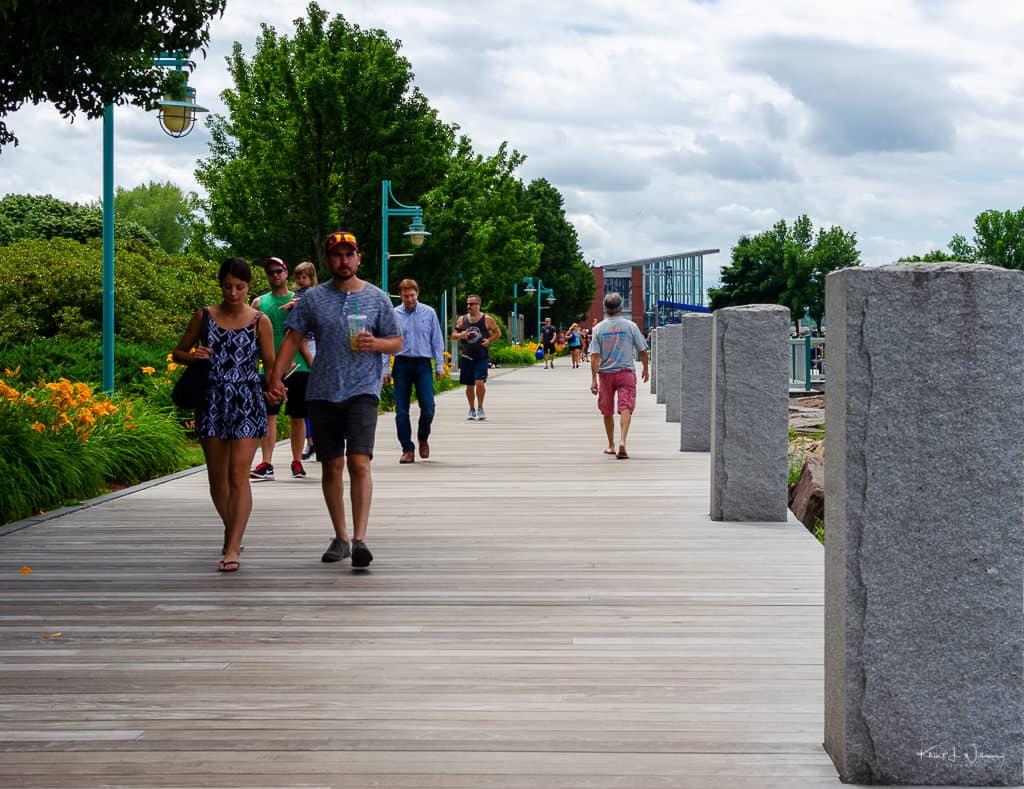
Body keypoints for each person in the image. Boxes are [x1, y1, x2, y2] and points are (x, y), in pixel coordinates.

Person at [266, 231, 402, 569]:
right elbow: (292, 338)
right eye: (337, 255)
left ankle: (360, 539)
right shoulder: (313, 298)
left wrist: (377, 344)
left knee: (359, 462)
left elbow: (397, 340)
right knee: (332, 465)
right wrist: (275, 378)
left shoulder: (377, 298)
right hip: (323, 390)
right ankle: (341, 537)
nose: (343, 261)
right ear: (328, 260)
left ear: (358, 258)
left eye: (349, 254)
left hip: (362, 390)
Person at [172, 258, 276, 572]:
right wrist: (193, 356)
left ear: (249, 287)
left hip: (247, 400)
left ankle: (232, 547)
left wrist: (274, 388)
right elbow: (178, 352)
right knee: (217, 478)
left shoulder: (260, 321)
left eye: (240, 287)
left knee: (238, 474)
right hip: (212, 400)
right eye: (228, 286)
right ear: (220, 285)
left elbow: (270, 363)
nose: (233, 293)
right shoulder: (204, 316)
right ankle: (233, 530)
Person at [250, 257, 313, 480]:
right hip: (269, 367)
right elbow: (251, 337)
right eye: (270, 272)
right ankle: (266, 463)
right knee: (269, 415)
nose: (275, 275)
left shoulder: (301, 298)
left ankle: (297, 462)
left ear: (286, 273)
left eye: (278, 271)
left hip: (298, 366)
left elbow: (313, 328)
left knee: (297, 416)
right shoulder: (259, 303)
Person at [383, 278, 445, 464]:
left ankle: (423, 437)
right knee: (401, 410)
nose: (409, 299)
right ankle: (407, 449)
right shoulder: (394, 314)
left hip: (422, 364)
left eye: (412, 295)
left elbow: (436, 339)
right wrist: (385, 369)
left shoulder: (429, 313)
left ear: (417, 294)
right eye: (405, 296)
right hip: (401, 364)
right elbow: (387, 340)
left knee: (428, 406)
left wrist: (439, 364)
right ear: (400, 296)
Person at [589, 292, 650, 460]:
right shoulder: (631, 326)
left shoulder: (598, 328)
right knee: (626, 407)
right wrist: (645, 369)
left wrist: (594, 380)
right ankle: (623, 441)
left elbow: (595, 357)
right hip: (626, 372)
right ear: (621, 308)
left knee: (607, 410)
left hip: (606, 374)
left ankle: (611, 445)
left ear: (604, 308)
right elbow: (643, 351)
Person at [452, 294, 501, 421]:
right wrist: (460, 335)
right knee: (469, 386)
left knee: (479, 382)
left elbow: (498, 333)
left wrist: (489, 340)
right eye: (467, 304)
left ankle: (480, 407)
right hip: (466, 356)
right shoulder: (462, 319)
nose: (469, 306)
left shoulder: (487, 319)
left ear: (478, 305)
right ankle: (471, 409)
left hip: (481, 356)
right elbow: (453, 335)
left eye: (471, 304)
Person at [289, 261, 319, 462]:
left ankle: (317, 440)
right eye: (298, 277)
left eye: (305, 277)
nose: (301, 280)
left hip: (313, 342)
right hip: (300, 343)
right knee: (305, 404)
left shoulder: (314, 295)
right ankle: (311, 441)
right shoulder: (295, 295)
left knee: (316, 401)